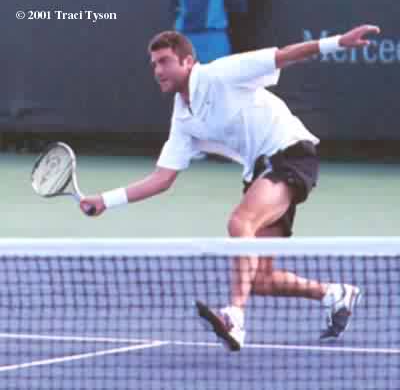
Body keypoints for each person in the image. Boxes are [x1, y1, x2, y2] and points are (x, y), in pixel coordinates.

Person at [80, 24, 380, 351]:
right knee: (261, 280)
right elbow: (161, 179)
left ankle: (235, 316)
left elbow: (283, 56)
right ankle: (335, 294)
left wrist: (338, 42)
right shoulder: (183, 120)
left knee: (240, 222)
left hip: (292, 153)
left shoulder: (222, 73)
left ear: (188, 62)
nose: (157, 70)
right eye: (153, 64)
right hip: (260, 170)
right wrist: (105, 201)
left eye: (165, 61)